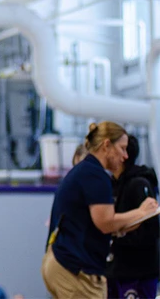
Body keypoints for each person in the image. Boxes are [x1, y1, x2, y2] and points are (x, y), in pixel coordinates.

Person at [41, 121, 158, 298]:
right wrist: (141, 212)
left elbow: (109, 226)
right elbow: (106, 223)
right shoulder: (95, 175)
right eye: (122, 148)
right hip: (74, 267)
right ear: (106, 146)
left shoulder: (86, 172)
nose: (125, 156)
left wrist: (136, 219)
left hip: (62, 261)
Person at [107, 135, 160, 298]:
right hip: (114, 270)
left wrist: (118, 235)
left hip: (137, 272)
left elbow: (150, 231)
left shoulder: (139, 185)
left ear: (124, 155)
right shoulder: (110, 184)